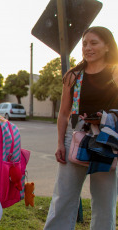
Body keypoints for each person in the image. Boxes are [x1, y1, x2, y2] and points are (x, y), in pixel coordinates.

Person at [44, 26, 118, 230]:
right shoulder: (74, 75)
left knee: (105, 201)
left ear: (106, 47)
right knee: (63, 198)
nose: (87, 47)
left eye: (94, 43)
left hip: (105, 140)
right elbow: (64, 113)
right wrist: (60, 143)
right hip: (76, 137)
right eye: (85, 43)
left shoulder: (115, 71)